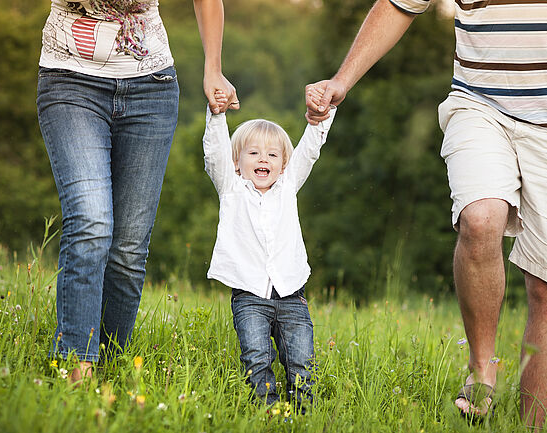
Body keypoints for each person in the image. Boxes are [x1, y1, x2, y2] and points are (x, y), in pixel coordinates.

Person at [305, 0, 547, 427]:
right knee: (479, 219)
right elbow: (400, 4)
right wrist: (342, 80)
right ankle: (482, 369)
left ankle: (530, 427)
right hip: (480, 103)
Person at [37, 0, 236, 383]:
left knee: (128, 250)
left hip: (151, 88)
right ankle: (77, 371)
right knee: (92, 223)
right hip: (71, 79)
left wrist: (213, 67)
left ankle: (110, 371)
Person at [202, 89, 336, 409]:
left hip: (291, 293)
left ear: (283, 165)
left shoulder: (287, 187)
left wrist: (322, 115)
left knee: (302, 361)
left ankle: (303, 413)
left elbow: (309, 151)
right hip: (249, 295)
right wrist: (217, 115)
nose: (263, 159)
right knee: (256, 357)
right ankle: (267, 411)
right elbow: (215, 153)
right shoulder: (231, 188)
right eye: (253, 153)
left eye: (273, 155)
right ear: (237, 162)